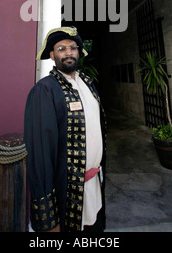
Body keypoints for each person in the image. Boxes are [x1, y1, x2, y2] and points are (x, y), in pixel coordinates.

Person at [24, 26, 106, 232]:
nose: (69, 52)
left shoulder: (89, 83)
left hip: (94, 186)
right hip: (66, 195)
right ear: (52, 55)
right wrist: (49, 219)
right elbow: (40, 156)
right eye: (61, 48)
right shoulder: (45, 90)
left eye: (73, 47)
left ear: (79, 52)